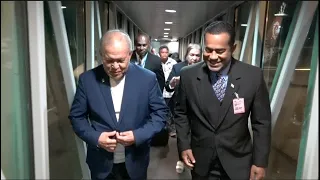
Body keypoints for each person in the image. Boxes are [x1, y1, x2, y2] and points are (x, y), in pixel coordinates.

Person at [175, 21, 271, 180]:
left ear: (233, 49)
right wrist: (184, 145)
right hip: (201, 160)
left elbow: (262, 123)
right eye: (208, 50)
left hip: (238, 161)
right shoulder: (188, 76)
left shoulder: (253, 76)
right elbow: (181, 113)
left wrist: (260, 162)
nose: (213, 57)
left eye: (220, 51)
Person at [69, 29, 168, 180]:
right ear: (101, 55)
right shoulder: (87, 80)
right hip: (101, 164)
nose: (115, 66)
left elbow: (160, 114)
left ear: (130, 54)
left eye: (121, 60)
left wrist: (137, 135)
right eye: (109, 61)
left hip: (136, 161)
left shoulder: (147, 79)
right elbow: (76, 117)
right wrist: (96, 138)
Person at [164, 43, 202, 173]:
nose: (195, 58)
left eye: (197, 55)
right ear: (186, 55)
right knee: (182, 133)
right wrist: (173, 83)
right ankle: (181, 158)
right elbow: (168, 86)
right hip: (181, 105)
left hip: (198, 106)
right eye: (192, 55)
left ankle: (196, 157)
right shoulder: (178, 67)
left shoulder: (203, 68)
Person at [159, 45, 177, 137]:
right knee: (162, 111)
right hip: (160, 91)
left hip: (171, 92)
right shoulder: (156, 62)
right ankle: (163, 130)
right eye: (162, 52)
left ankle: (171, 129)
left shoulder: (173, 62)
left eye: (166, 52)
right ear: (159, 53)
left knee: (172, 111)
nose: (164, 54)